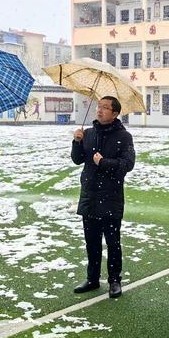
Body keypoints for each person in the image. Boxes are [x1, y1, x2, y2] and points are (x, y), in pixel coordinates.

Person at [71, 96, 135, 298]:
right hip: (89, 195)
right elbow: (77, 159)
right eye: (99, 107)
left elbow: (127, 165)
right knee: (91, 241)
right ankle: (92, 278)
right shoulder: (89, 133)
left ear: (115, 113)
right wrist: (76, 141)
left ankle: (114, 280)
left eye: (105, 108)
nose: (100, 110)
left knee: (113, 242)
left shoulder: (124, 137)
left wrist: (104, 162)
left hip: (111, 196)